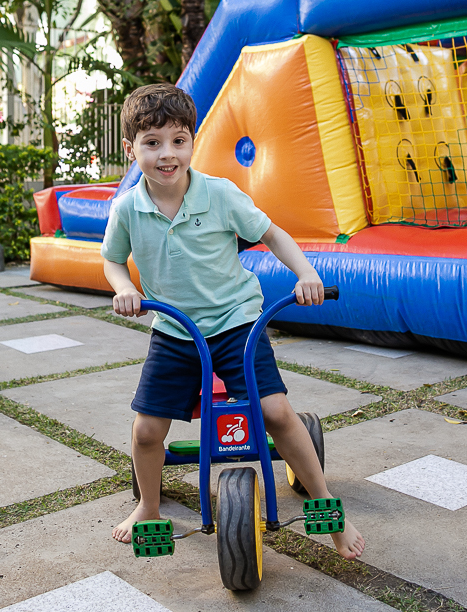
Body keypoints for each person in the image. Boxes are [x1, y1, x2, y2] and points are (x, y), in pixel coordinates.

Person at [102, 83, 365, 559]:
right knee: (145, 431)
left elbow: (272, 234)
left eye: (178, 141)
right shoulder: (127, 209)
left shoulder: (220, 194)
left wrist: (306, 273)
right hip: (175, 330)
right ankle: (148, 506)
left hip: (236, 322)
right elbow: (112, 260)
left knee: (276, 412)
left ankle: (327, 504)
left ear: (193, 142)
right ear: (130, 149)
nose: (167, 154)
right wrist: (124, 288)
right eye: (152, 143)